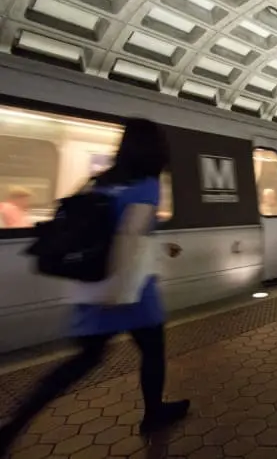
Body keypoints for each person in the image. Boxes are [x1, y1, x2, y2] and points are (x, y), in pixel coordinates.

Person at [0, 118, 189, 456]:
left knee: (82, 361)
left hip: (90, 287)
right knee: (153, 350)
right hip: (128, 290)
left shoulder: (101, 180)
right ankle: (153, 413)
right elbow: (129, 240)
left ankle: (13, 425)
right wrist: (117, 293)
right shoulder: (147, 183)